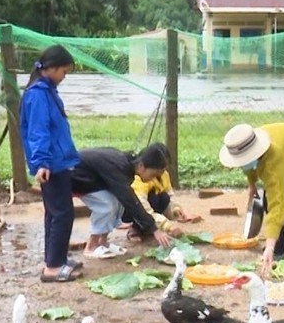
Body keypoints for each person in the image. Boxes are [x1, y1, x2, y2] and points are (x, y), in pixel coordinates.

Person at [219, 122, 284, 278]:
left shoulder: (274, 162)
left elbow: (278, 203)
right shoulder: (248, 145)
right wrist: (251, 185)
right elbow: (248, 166)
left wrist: (269, 246)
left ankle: (281, 244)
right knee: (271, 199)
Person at [19, 44, 83, 282]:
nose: (64, 77)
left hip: (58, 162)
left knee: (56, 213)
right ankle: (53, 268)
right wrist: (42, 162)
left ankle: (55, 259)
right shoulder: (37, 94)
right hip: (51, 165)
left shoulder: (46, 91)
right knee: (62, 215)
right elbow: (38, 131)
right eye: (63, 72)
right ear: (52, 68)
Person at [71, 145, 172, 258]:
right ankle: (91, 246)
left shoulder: (127, 166)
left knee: (117, 202)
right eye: (153, 175)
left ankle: (102, 242)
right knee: (107, 205)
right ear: (141, 165)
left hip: (93, 179)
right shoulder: (119, 168)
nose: (152, 179)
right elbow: (130, 200)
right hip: (75, 177)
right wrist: (153, 228)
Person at [125, 143, 201, 242]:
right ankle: (137, 228)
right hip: (133, 209)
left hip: (150, 207)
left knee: (163, 197)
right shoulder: (140, 177)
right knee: (153, 198)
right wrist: (167, 225)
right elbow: (142, 206)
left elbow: (169, 195)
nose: (163, 167)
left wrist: (175, 210)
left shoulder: (163, 174)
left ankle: (150, 227)